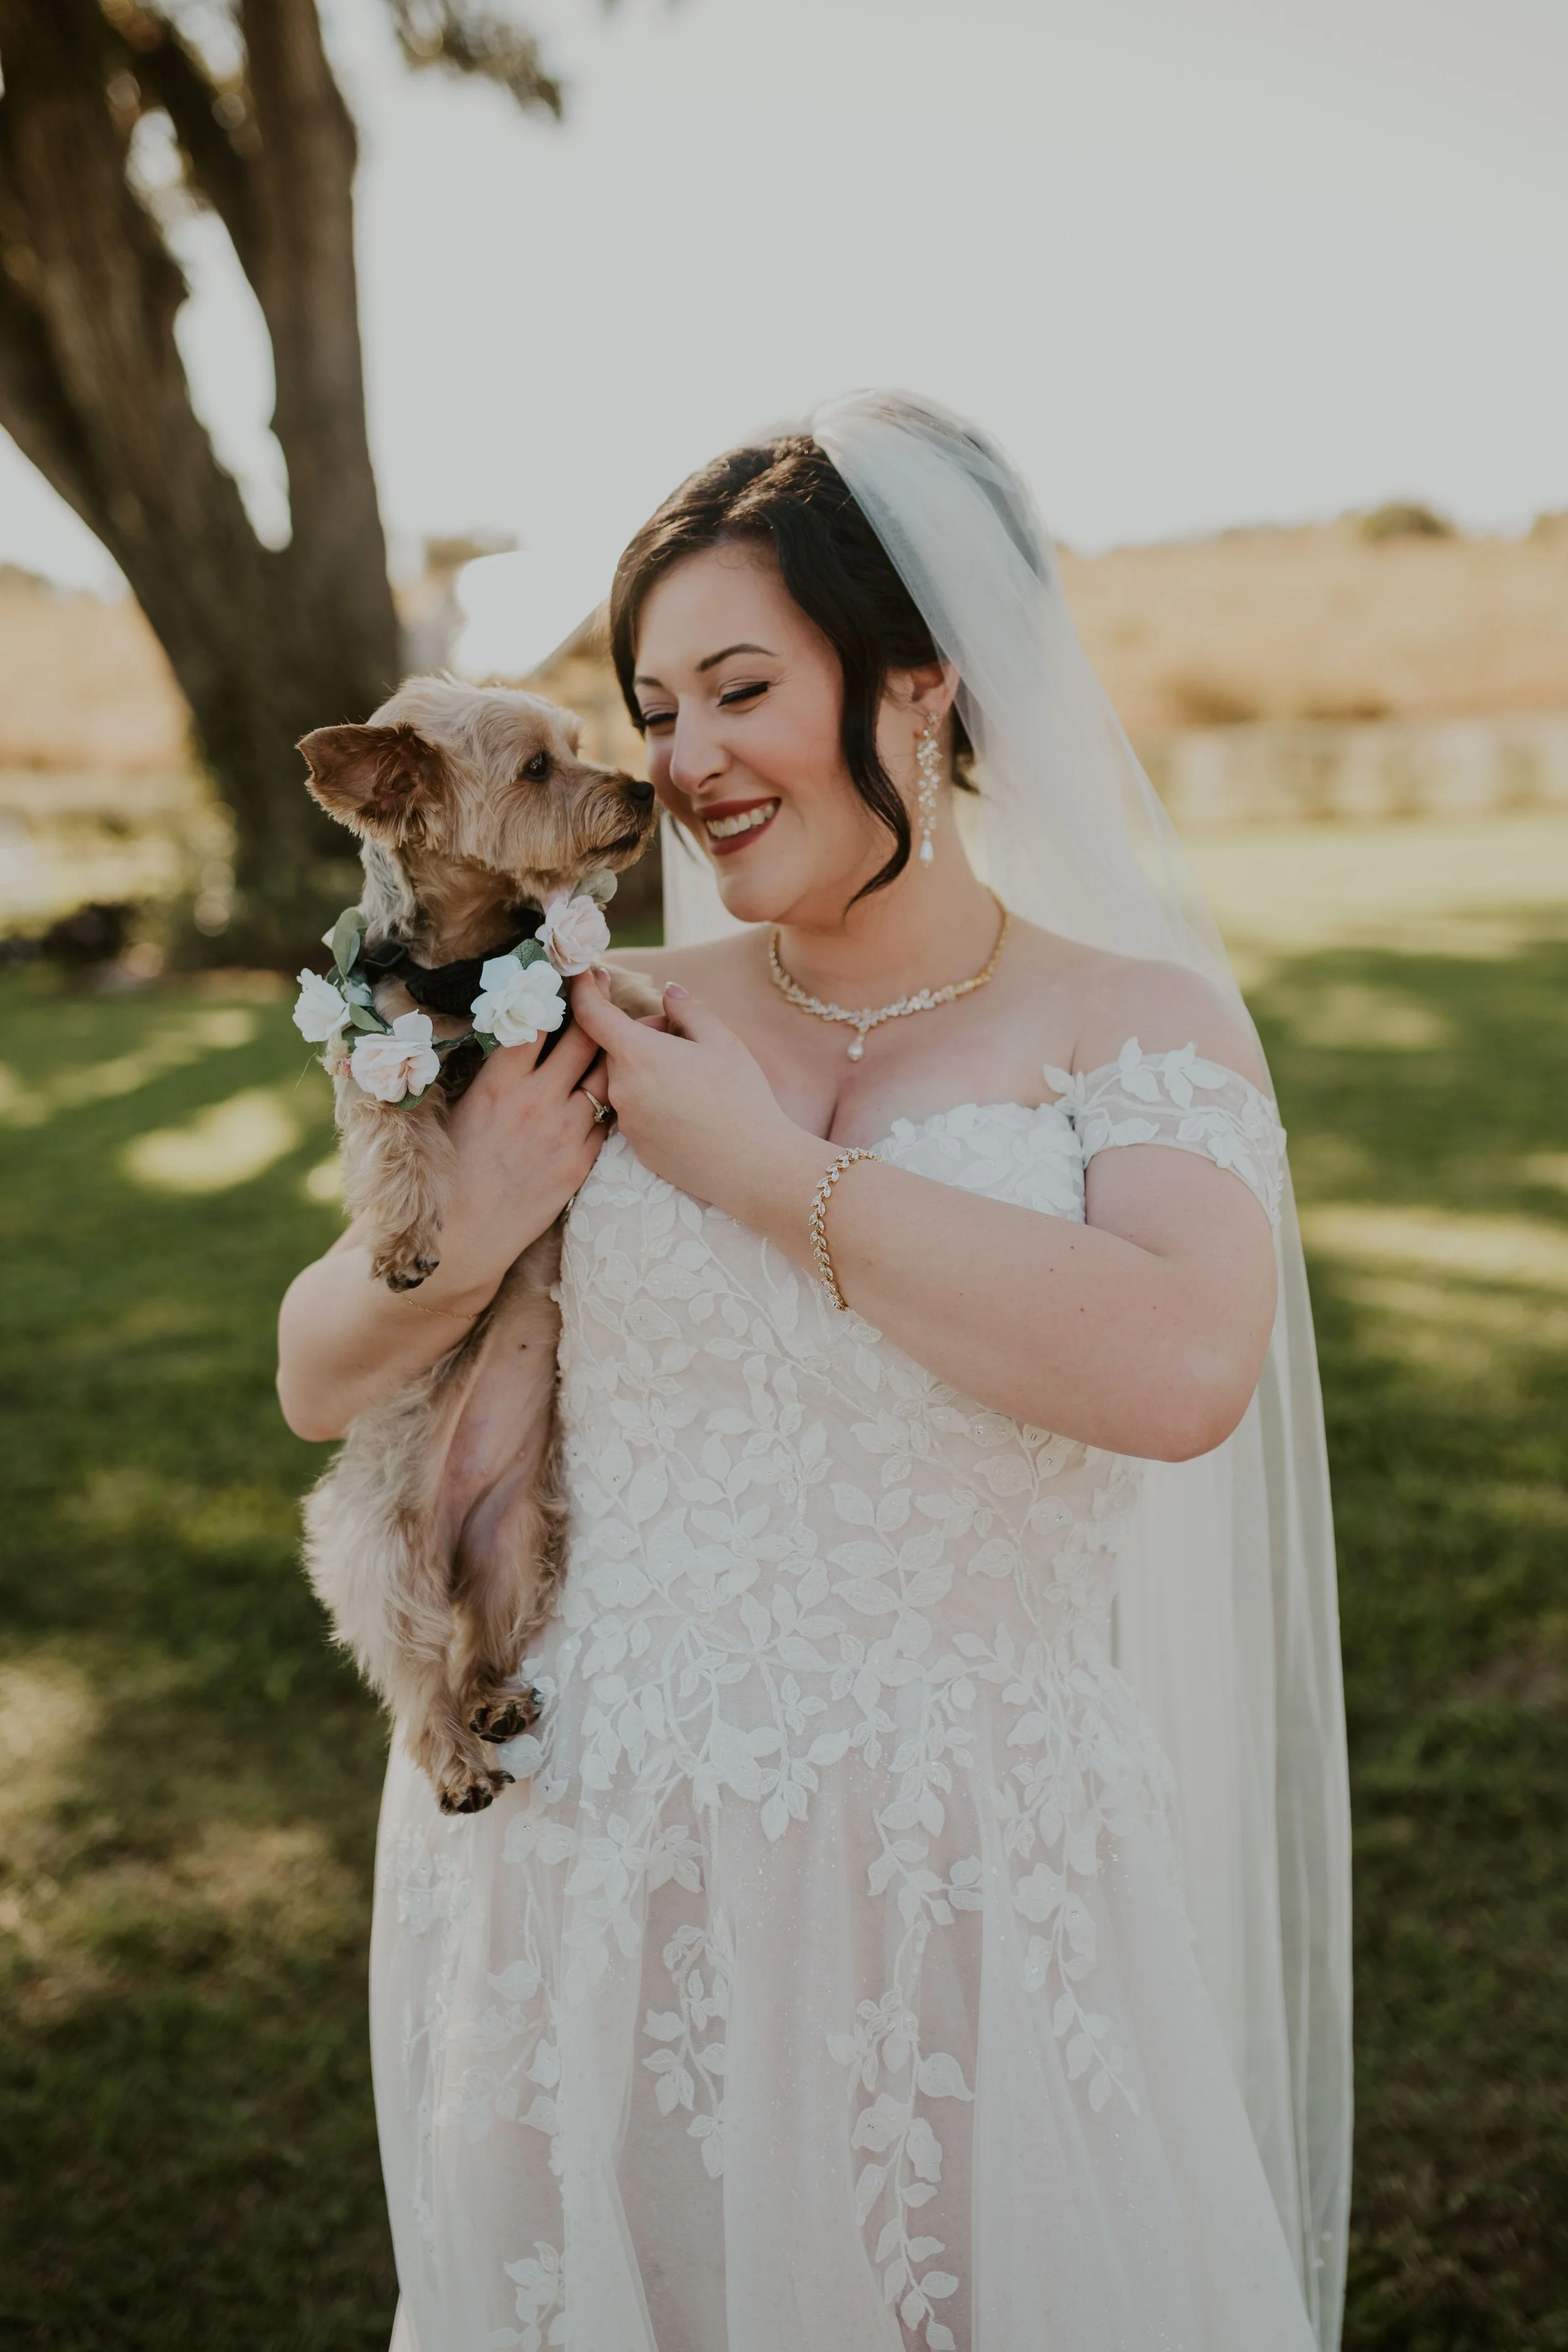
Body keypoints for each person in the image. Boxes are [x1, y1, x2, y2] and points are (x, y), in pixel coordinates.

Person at [277, 394, 1351, 2352]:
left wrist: (766, 1173)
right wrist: (480, 1214)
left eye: (739, 689)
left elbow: (1181, 1367)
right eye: (651, 705)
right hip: (584, 1844)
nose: (681, 760)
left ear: (921, 682)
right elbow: (314, 1371)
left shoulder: (1137, 1023)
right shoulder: (601, 1001)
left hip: (961, 1867)